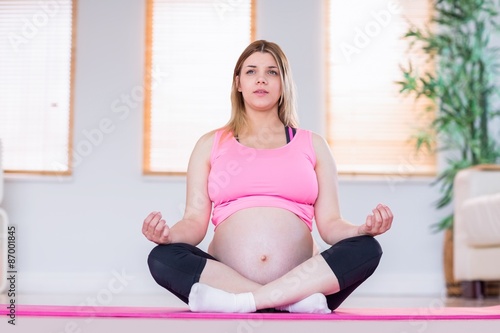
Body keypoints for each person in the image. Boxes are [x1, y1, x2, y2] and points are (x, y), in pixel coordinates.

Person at [142, 40, 393, 313]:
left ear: (284, 83)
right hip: (288, 291)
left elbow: (331, 225)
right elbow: (193, 222)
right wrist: (168, 236)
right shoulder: (209, 144)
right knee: (162, 257)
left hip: (301, 279)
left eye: (272, 72)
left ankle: (244, 303)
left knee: (368, 249)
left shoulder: (313, 144)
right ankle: (291, 302)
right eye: (251, 71)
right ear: (238, 82)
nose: (261, 79)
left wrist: (361, 230)